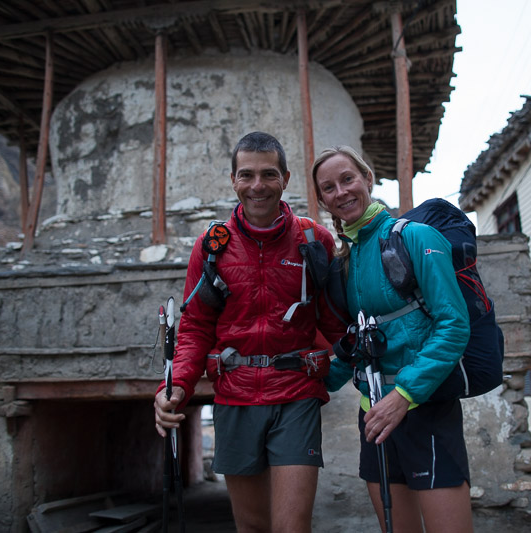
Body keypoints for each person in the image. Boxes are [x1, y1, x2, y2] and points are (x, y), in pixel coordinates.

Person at [154, 132, 346, 533]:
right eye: (247, 175)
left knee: (292, 527)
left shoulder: (315, 241)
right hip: (235, 397)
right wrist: (177, 386)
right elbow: (195, 326)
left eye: (268, 174)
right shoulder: (211, 247)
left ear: (286, 178)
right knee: (252, 527)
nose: (257, 186)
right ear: (233, 179)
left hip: (296, 394)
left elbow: (335, 321)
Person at [312, 146, 474, 533]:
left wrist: (403, 396)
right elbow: (361, 341)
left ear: (367, 179)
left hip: (426, 408)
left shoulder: (414, 237)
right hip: (374, 415)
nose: (341, 192)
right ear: (322, 201)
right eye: (328, 188)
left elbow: (453, 325)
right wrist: (312, 376)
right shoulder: (344, 260)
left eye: (347, 179)